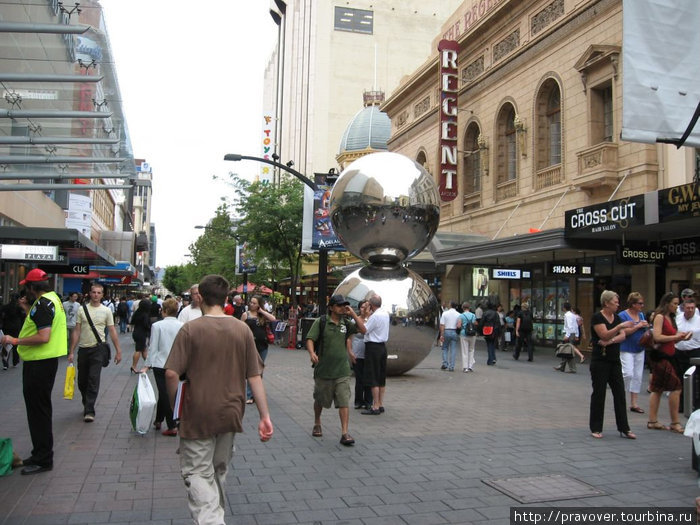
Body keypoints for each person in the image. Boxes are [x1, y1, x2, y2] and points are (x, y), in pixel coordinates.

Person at [165, 274, 273, 524]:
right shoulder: (241, 329)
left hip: (197, 413)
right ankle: (216, 516)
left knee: (198, 474)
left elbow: (171, 373)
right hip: (230, 412)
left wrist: (175, 409)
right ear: (226, 299)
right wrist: (265, 416)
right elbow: (255, 376)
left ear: (200, 296)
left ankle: (212, 520)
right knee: (218, 471)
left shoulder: (191, 329)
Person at [1, 269, 66, 475]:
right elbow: (41, 323)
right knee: (39, 410)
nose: (24, 291)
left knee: (38, 412)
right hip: (42, 363)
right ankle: (40, 453)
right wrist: (27, 308)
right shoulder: (52, 299)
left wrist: (15, 340)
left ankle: (43, 458)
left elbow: (43, 336)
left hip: (39, 363)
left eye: (26, 287)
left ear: (32, 287)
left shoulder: (44, 304)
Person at [306, 294, 365, 445]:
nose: (342, 308)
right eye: (339, 305)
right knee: (320, 399)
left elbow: (363, 330)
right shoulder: (322, 322)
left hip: (342, 371)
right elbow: (310, 339)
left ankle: (345, 433)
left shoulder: (346, 323)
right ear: (331, 307)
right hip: (324, 370)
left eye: (344, 305)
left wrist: (352, 313)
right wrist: (312, 353)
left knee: (344, 401)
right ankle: (317, 422)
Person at [68, 283, 123, 423]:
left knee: (93, 379)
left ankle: (89, 409)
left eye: (99, 293)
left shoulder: (106, 311)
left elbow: (112, 331)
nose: (96, 295)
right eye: (94, 292)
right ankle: (86, 401)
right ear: (89, 293)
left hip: (98, 349)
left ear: (102, 295)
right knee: (82, 381)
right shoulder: (82, 309)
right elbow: (77, 330)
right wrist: (71, 351)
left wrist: (118, 351)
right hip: (83, 349)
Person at [589, 290, 636, 439]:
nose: (618, 304)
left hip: (614, 360)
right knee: (599, 393)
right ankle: (596, 427)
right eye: (615, 302)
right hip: (600, 360)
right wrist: (618, 328)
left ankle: (624, 428)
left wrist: (610, 341)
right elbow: (604, 334)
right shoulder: (597, 317)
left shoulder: (616, 317)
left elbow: (621, 336)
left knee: (620, 393)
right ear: (606, 303)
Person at [648, 292, 691, 434]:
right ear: (667, 303)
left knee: (657, 388)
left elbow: (670, 338)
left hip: (669, 355)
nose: (676, 306)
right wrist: (675, 336)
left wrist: (680, 338)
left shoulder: (671, 318)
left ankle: (652, 420)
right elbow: (658, 336)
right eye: (674, 303)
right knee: (676, 387)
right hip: (661, 356)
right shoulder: (659, 317)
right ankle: (675, 422)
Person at [141, 298, 183, 436]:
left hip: (160, 364)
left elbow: (153, 347)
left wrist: (147, 365)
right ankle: (158, 420)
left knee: (165, 393)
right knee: (167, 392)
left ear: (163, 311)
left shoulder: (157, 326)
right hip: (176, 364)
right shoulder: (182, 325)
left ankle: (172, 425)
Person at [241, 295, 277, 404]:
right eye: (251, 302)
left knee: (259, 370)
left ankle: (256, 394)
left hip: (263, 346)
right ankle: (249, 395)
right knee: (252, 370)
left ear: (258, 305)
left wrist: (262, 311)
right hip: (250, 346)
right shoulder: (245, 315)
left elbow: (273, 319)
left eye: (254, 303)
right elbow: (240, 329)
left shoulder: (262, 315)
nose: (251, 304)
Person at [618, 292, 649, 413]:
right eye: (640, 303)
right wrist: (637, 326)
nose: (642, 305)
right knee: (628, 373)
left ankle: (634, 403)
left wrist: (645, 326)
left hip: (639, 348)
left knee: (637, 376)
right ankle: (621, 395)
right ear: (633, 304)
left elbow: (643, 328)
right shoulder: (623, 315)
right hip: (626, 348)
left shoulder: (641, 315)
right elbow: (623, 332)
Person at [362, 294, 390, 415]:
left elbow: (364, 329)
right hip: (382, 346)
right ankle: (380, 403)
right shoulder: (385, 314)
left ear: (371, 305)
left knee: (373, 376)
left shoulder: (374, 316)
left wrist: (367, 315)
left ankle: (375, 406)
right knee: (381, 377)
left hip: (373, 347)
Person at [676, 296, 700, 412]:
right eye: (688, 308)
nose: (690, 310)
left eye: (692, 308)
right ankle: (681, 404)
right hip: (679, 351)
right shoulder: (678, 318)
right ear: (683, 308)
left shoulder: (698, 320)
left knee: (694, 378)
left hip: (694, 351)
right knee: (680, 379)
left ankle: (695, 403)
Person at [351, 300, 372, 409]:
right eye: (362, 307)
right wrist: (350, 352)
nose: (364, 309)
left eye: (366, 307)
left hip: (369, 354)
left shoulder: (372, 320)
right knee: (359, 379)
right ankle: (358, 401)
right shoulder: (355, 320)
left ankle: (369, 401)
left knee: (368, 378)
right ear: (359, 308)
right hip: (357, 354)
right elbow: (349, 338)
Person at [555, 302, 585, 373]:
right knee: (567, 350)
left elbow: (569, 326)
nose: (562, 308)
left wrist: (567, 335)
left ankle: (568, 367)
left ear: (564, 308)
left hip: (569, 334)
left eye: (562, 307)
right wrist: (577, 335)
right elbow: (575, 326)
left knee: (567, 350)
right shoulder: (573, 315)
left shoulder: (567, 315)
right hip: (573, 333)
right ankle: (563, 366)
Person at [1, 292, 26, 369]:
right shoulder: (19, 308)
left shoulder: (5, 307)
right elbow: (23, 317)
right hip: (16, 327)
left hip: (6, 327)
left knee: (6, 343)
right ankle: (15, 361)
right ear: (18, 299)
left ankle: (5, 361)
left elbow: (1, 316)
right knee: (15, 343)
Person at [130, 298, 152, 374]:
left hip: (136, 332)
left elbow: (132, 322)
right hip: (141, 333)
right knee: (139, 350)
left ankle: (148, 364)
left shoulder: (137, 313)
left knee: (144, 350)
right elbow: (146, 325)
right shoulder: (145, 315)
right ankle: (134, 366)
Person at [439, 301, 460, 371]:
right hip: (454, 331)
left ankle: (445, 363)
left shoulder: (445, 313)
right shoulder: (458, 314)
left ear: (450, 305)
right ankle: (452, 366)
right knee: (453, 349)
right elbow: (459, 325)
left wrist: (441, 335)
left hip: (446, 331)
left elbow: (442, 325)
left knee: (445, 348)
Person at [457, 302, 477, 372]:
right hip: (472, 334)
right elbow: (475, 324)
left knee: (464, 351)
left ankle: (465, 367)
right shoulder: (473, 315)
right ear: (469, 308)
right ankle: (470, 366)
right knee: (471, 350)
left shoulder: (461, 316)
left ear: (463, 308)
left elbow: (459, 326)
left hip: (464, 334)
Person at [481, 301, 501, 366]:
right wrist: (499, 333)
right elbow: (498, 323)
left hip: (487, 330)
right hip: (494, 330)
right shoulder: (496, 314)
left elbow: (482, 322)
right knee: (492, 344)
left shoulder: (485, 313)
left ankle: (490, 359)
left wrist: (480, 331)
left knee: (489, 345)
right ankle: (493, 358)